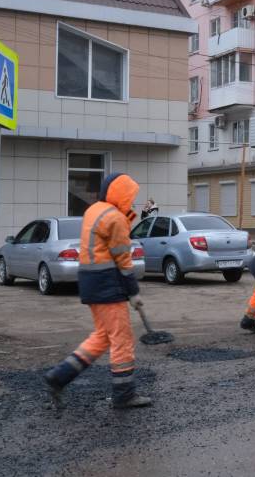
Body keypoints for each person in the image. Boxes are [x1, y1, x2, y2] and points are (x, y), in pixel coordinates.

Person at [44, 173, 152, 409]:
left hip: (91, 282)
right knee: (122, 339)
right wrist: (133, 291)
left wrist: (129, 214)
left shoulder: (96, 210)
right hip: (108, 284)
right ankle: (124, 395)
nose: (133, 201)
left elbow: (119, 225)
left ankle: (60, 376)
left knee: (103, 336)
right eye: (130, 197)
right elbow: (123, 259)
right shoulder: (114, 218)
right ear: (120, 195)